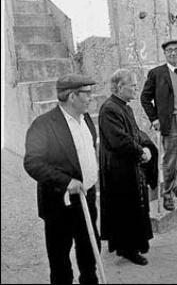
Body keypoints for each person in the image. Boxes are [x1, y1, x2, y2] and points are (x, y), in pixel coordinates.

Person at [24, 73, 101, 284]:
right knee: (60, 261)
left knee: (89, 252)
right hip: (60, 204)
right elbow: (32, 163)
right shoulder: (44, 124)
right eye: (86, 93)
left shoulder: (85, 119)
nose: (91, 97)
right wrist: (67, 182)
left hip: (87, 198)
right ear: (72, 96)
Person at [99, 69, 158, 266]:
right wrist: (141, 152)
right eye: (132, 85)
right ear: (118, 87)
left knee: (131, 207)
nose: (136, 88)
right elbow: (120, 140)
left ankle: (129, 245)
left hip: (129, 166)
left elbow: (135, 132)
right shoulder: (109, 109)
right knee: (125, 209)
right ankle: (128, 249)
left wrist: (147, 145)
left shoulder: (124, 107)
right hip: (119, 170)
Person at [140, 39, 177, 211]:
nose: (174, 53)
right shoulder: (156, 73)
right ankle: (168, 194)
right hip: (171, 120)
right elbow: (145, 98)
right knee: (171, 159)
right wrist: (154, 119)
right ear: (165, 54)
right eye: (170, 50)